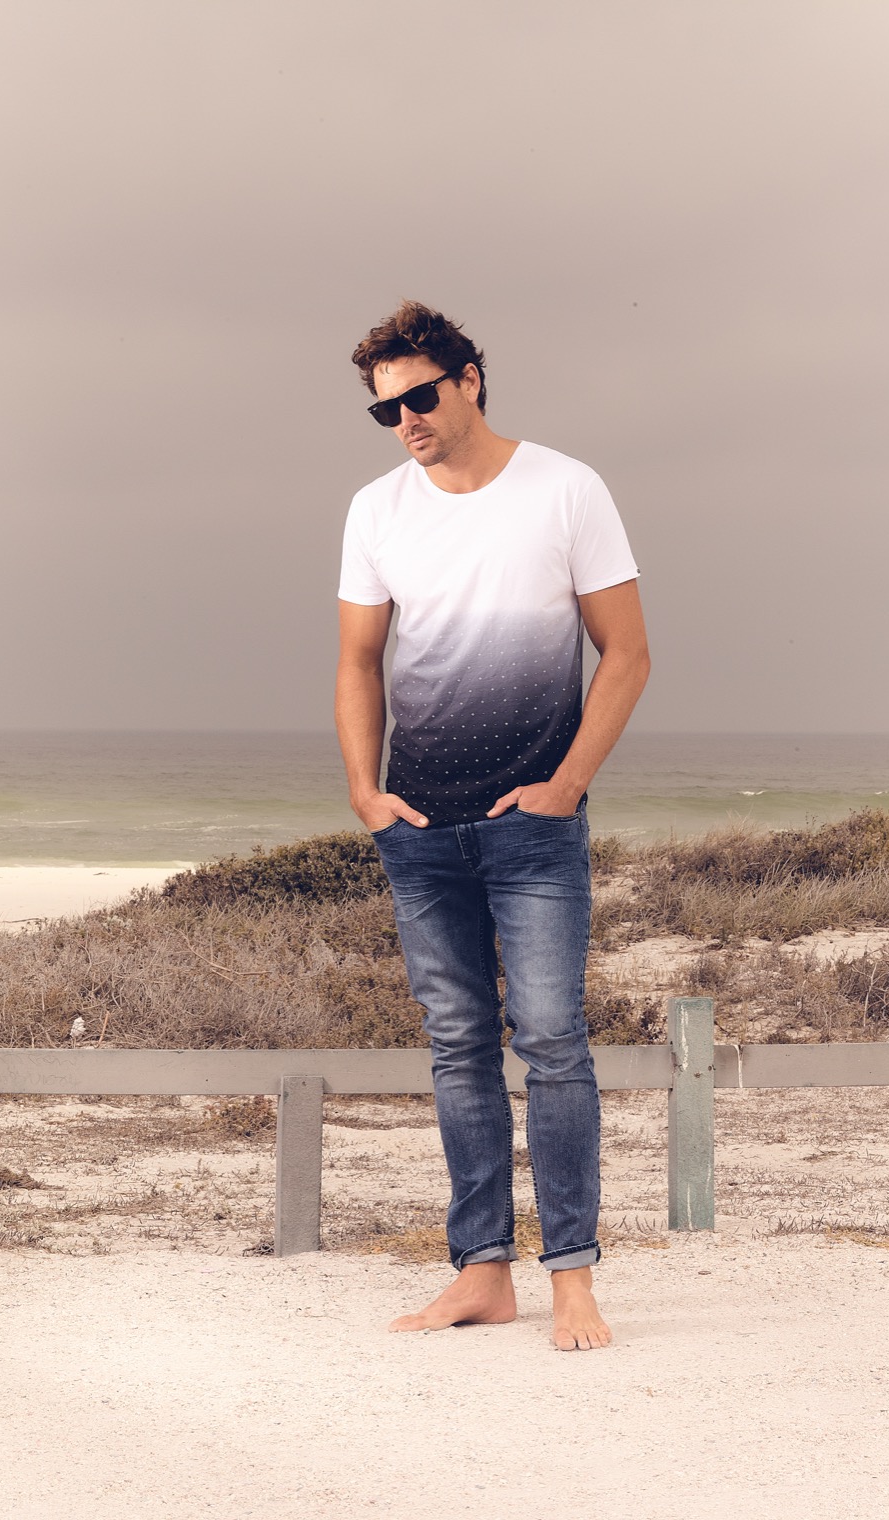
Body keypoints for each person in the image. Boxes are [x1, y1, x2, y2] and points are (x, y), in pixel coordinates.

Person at [335, 300, 650, 1351]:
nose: (406, 421)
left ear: (469, 379)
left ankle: (572, 1279)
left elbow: (626, 653)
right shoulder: (376, 510)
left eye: (421, 396)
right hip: (420, 829)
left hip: (531, 828)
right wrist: (364, 792)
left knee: (552, 1042)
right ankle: (480, 1273)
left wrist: (566, 784)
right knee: (458, 1046)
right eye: (386, 409)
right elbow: (357, 662)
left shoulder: (565, 488)